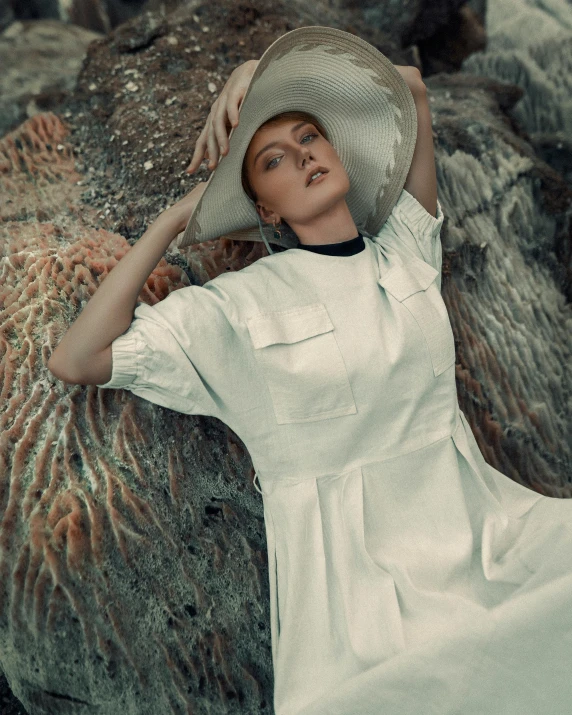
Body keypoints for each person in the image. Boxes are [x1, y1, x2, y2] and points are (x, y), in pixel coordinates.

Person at [47, 26, 572, 715]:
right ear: (265, 208)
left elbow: (409, 90)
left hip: (489, 540)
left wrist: (261, 68)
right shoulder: (235, 310)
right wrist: (177, 219)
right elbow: (77, 357)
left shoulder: (406, 252)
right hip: (355, 611)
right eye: (274, 159)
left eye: (310, 139)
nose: (302, 156)